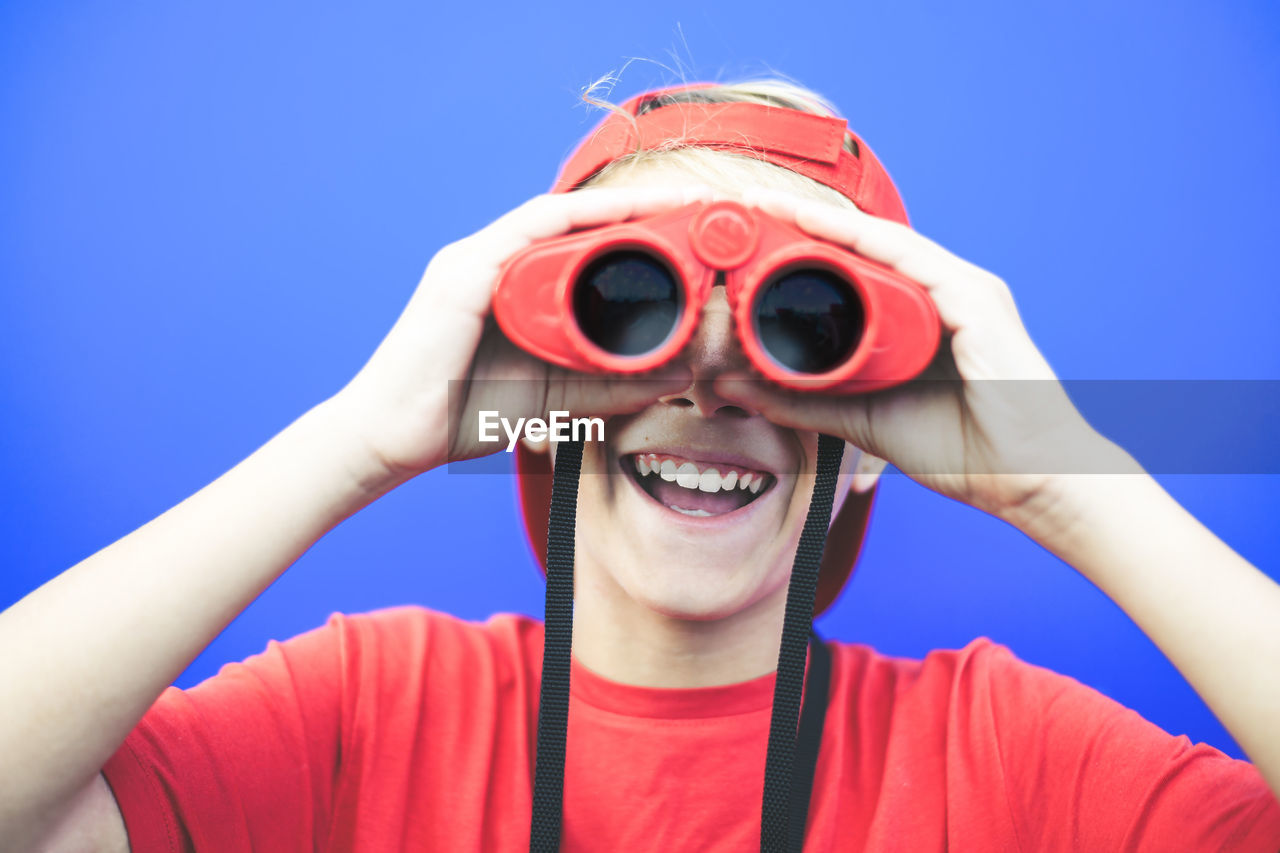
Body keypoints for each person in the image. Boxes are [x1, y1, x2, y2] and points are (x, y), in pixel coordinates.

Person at [2, 79, 1278, 852]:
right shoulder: (369, 709)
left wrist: (1062, 481)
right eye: (628, 316)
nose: (710, 389)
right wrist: (362, 435)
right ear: (537, 399)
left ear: (872, 441)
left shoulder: (1001, 753)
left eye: (805, 335)